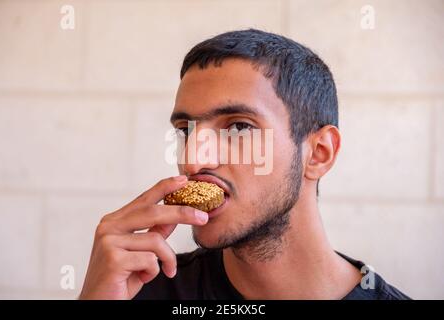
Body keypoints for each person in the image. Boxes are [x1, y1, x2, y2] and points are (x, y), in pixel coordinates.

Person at [79, 29, 410, 300]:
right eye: (185, 130)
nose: (193, 160)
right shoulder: (136, 290)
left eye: (238, 127)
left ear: (319, 153)